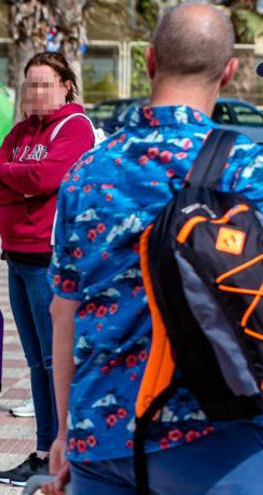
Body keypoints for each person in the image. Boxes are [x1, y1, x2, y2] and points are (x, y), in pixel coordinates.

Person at [43, 4, 263, 494]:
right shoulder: (249, 170)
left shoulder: (87, 170)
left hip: (101, 438)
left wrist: (65, 432)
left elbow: (63, 312)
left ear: (148, 61)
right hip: (217, 434)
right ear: (228, 72)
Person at [0, 52, 96, 487]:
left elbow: (48, 178)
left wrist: (17, 180)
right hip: (16, 255)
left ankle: (60, 453)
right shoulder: (23, 129)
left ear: (66, 85)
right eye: (30, 84)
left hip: (48, 259)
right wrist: (20, 182)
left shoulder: (75, 127)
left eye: (45, 84)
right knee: (36, 363)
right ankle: (42, 448)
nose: (36, 92)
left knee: (56, 362)